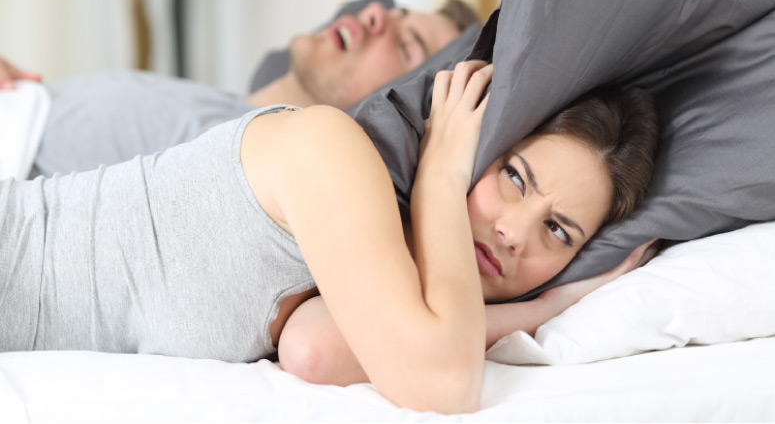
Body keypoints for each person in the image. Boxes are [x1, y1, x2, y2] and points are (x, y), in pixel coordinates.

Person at [0, 60, 660, 413]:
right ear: (472, 141)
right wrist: (439, 175)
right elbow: (443, 386)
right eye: (512, 176)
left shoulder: (375, 283)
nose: (513, 230)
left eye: (556, 229)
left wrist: (543, 305)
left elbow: (314, 351)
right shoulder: (329, 148)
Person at [0, 0, 478, 178]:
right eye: (394, 12)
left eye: (409, 45)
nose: (377, 13)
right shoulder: (215, 101)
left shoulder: (242, 163)